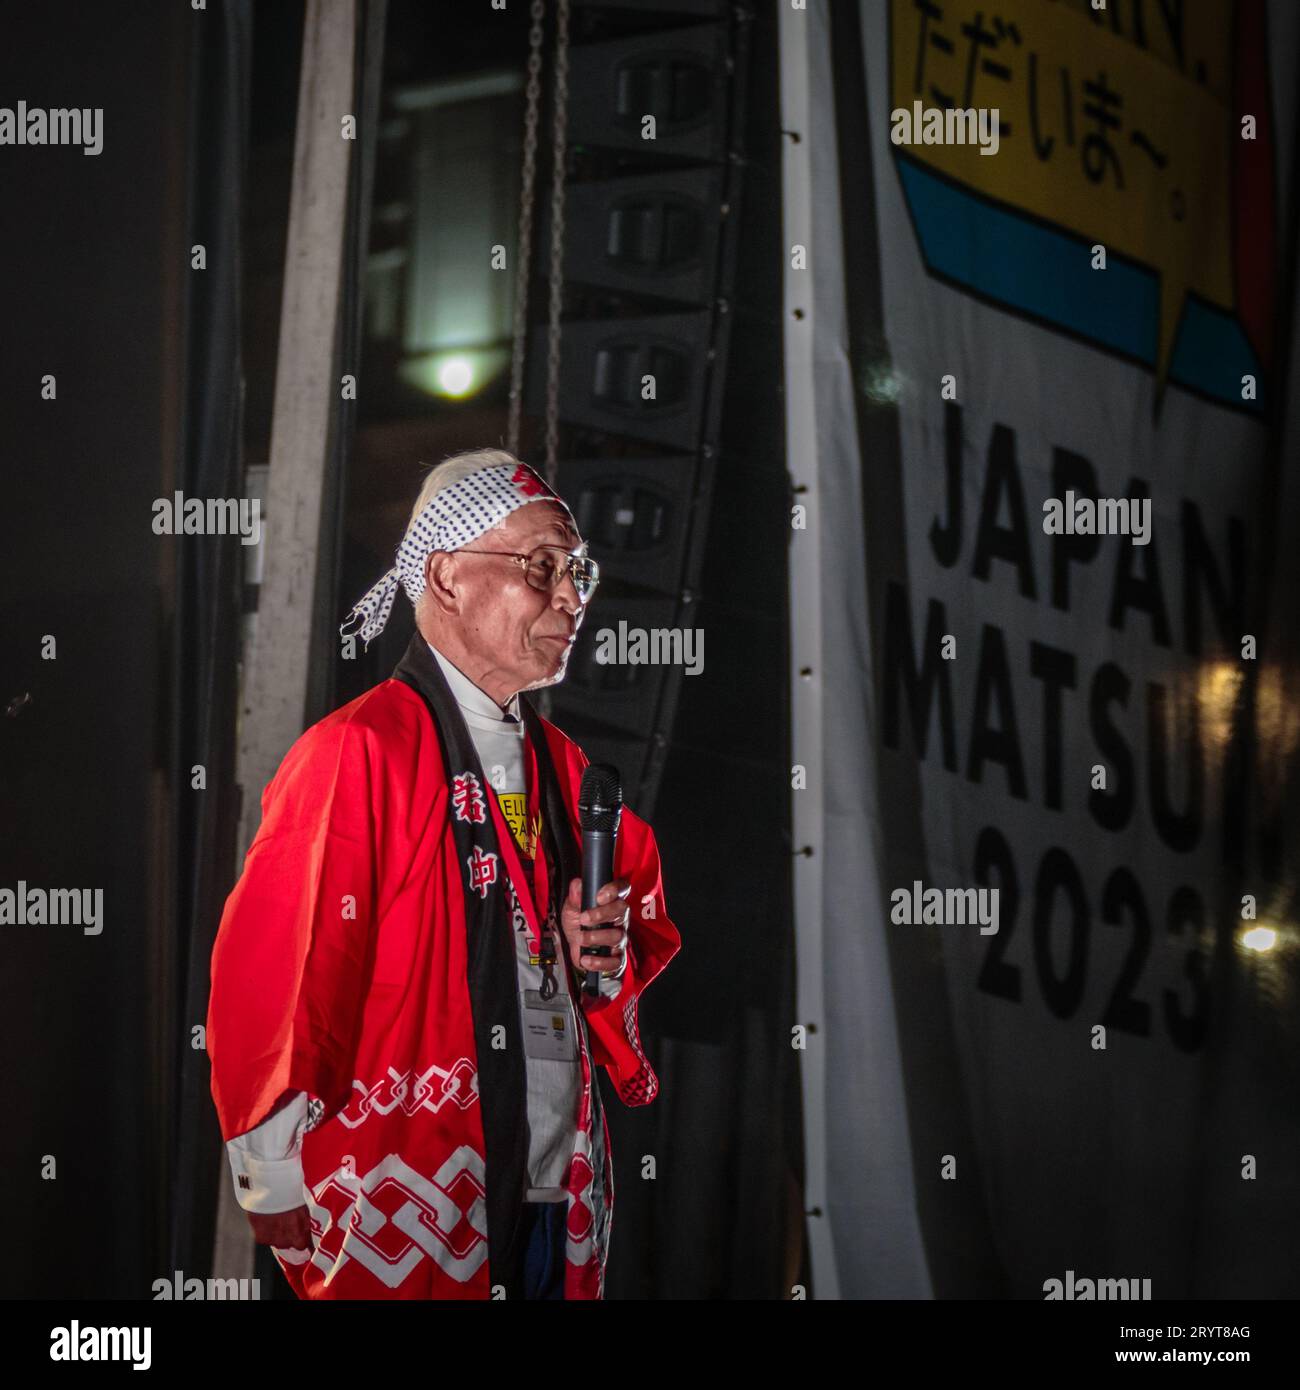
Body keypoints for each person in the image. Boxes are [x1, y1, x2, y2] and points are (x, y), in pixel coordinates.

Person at [206, 448, 680, 1300]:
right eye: (542, 567)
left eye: (579, 571)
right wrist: (268, 1174)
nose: (571, 596)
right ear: (447, 575)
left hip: (556, 1187)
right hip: (415, 1187)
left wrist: (593, 956)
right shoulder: (362, 751)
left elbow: (630, 931)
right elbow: (282, 969)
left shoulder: (568, 771)